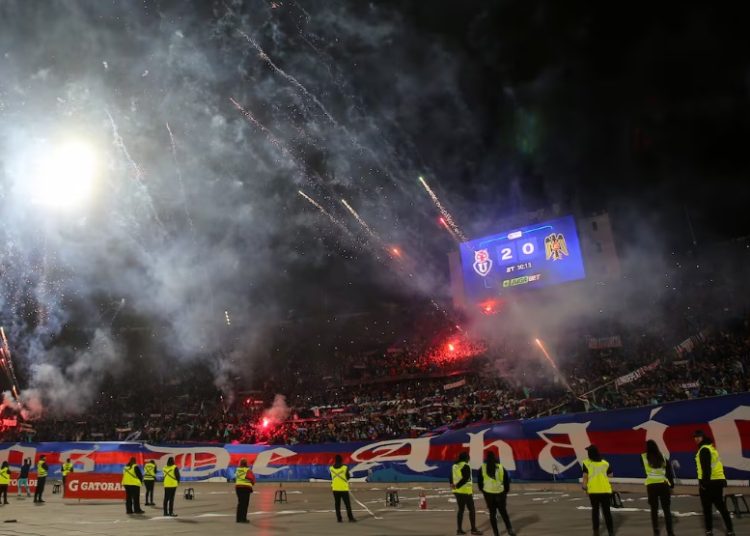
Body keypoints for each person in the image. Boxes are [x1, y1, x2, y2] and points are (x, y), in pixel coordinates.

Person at [694, 430, 735, 536]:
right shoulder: (711, 448)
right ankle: (730, 530)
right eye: (695, 437)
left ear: (703, 437)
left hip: (709, 483)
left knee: (707, 509)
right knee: (721, 507)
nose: (696, 439)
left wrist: (703, 484)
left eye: (699, 437)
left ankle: (709, 531)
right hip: (717, 482)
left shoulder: (704, 450)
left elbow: (706, 468)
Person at [642, 440, 675, 536]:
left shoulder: (643, 457)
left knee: (654, 510)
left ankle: (656, 531)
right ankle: (670, 532)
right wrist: (671, 485)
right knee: (667, 510)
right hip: (663, 485)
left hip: (652, 486)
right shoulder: (663, 457)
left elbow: (644, 469)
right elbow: (669, 472)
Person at [478, 451, 515, 536]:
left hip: (488, 494)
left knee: (492, 514)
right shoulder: (500, 467)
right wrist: (505, 491)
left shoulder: (482, 468)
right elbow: (506, 481)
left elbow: (480, 482)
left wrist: (483, 490)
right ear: (495, 458)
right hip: (500, 493)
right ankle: (509, 529)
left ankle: (496, 533)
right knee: (503, 513)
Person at [582, 445, 614, 536]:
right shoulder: (605, 463)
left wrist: (584, 487)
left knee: (595, 511)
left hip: (593, 491)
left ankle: (596, 532)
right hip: (605, 490)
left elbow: (585, 477)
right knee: (607, 512)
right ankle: (611, 532)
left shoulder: (586, 463)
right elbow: (611, 475)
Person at [451, 452, 482, 536]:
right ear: (466, 458)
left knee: (461, 510)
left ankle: (459, 530)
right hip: (465, 491)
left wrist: (453, 485)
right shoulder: (466, 466)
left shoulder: (454, 466)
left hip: (457, 492)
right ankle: (473, 529)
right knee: (471, 509)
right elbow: (466, 478)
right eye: (469, 457)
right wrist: (458, 485)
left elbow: (451, 476)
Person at [329, 454, 356, 523]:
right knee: (347, 504)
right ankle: (350, 518)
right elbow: (348, 477)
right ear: (341, 460)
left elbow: (331, 476)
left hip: (335, 488)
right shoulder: (345, 467)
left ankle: (339, 518)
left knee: (337, 504)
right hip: (343, 488)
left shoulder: (331, 468)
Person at [235, 458, 255, 523]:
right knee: (245, 504)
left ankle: (238, 519)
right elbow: (252, 479)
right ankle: (243, 519)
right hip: (245, 488)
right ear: (246, 463)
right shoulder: (247, 470)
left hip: (238, 487)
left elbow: (235, 477)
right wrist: (252, 483)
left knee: (240, 503)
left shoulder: (237, 470)